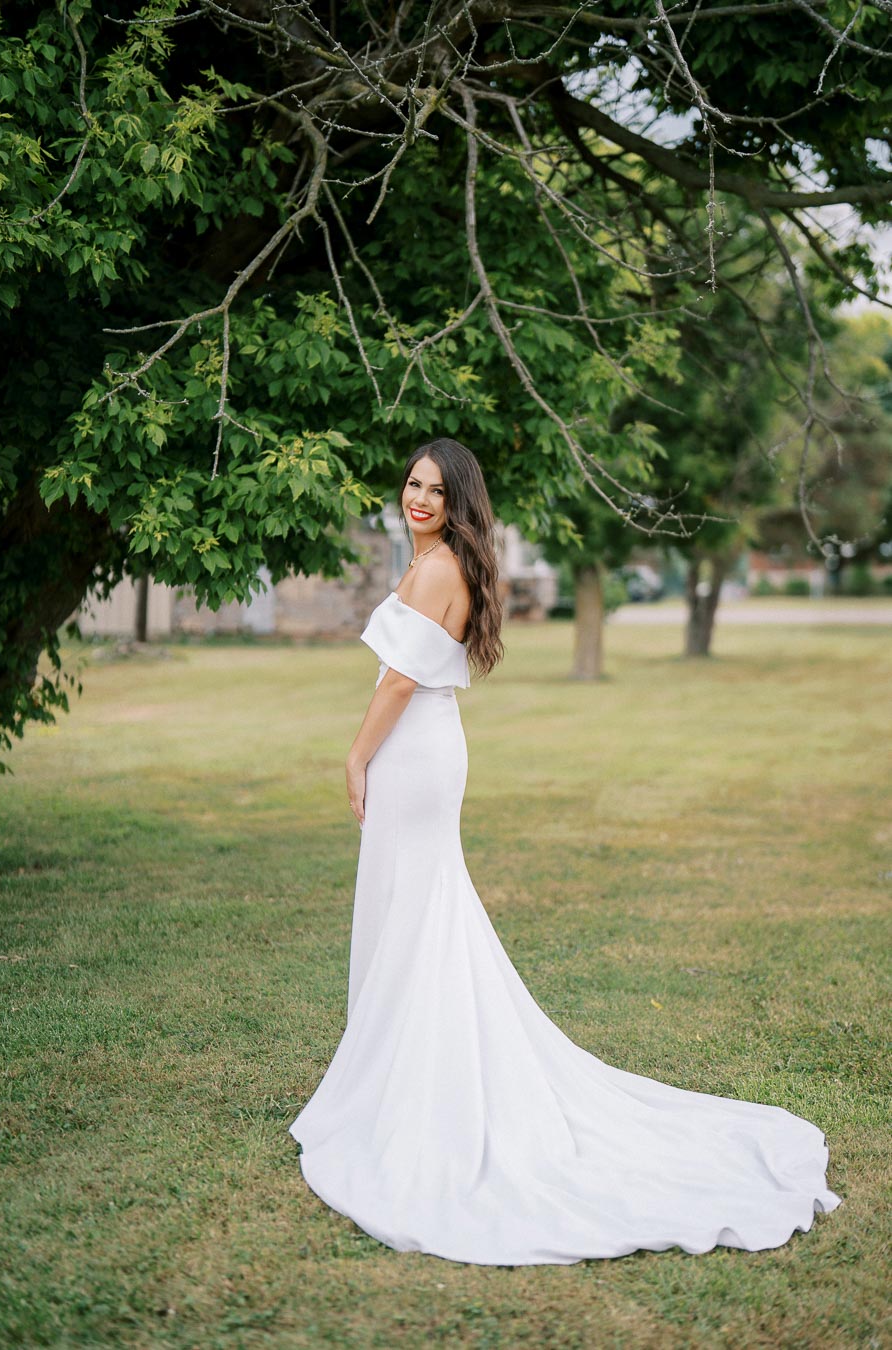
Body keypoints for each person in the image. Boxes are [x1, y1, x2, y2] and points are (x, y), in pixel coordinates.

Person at [288, 437, 840, 1266]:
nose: (420, 498)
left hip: (412, 749)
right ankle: (391, 1066)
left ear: (459, 500)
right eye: (412, 484)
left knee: (419, 908)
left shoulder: (439, 571)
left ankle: (407, 1087)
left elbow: (399, 682)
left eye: (437, 490)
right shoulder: (444, 562)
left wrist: (356, 755)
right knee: (416, 907)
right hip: (428, 749)